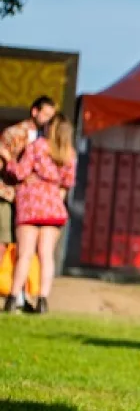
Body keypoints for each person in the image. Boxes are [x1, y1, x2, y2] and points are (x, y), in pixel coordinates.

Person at [2, 113, 76, 314]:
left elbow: (20, 172)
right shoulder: (69, 153)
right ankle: (42, 300)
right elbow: (68, 182)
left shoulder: (37, 146)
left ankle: (12, 299)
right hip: (53, 206)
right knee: (46, 256)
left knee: (24, 254)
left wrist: (7, 157)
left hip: (31, 204)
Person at [0, 95, 58, 313]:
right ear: (35, 112)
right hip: (8, 195)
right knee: (4, 243)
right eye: (46, 114)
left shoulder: (47, 142)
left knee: (25, 251)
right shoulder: (14, 134)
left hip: (30, 202)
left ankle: (21, 296)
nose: (48, 119)